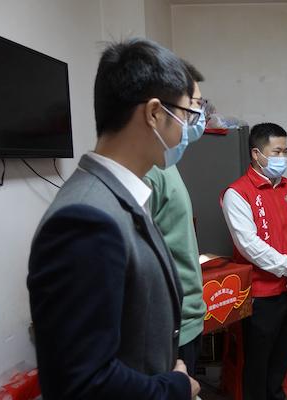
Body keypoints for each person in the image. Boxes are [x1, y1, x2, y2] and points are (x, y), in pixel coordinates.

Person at [27, 38, 201, 400]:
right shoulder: (85, 220)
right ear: (154, 114)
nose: (187, 128)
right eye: (186, 115)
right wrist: (175, 387)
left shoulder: (123, 194)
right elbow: (82, 382)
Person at [221, 122, 287, 400]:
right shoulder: (237, 193)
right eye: (277, 151)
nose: (283, 157)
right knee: (257, 363)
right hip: (260, 296)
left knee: (282, 358)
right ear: (256, 154)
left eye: (286, 151)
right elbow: (249, 245)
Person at [144, 61, 208, 378]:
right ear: (156, 112)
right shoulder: (144, 175)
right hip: (168, 328)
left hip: (184, 321)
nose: (197, 119)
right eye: (191, 109)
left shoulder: (166, 162)